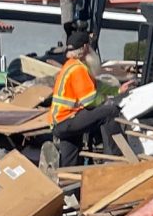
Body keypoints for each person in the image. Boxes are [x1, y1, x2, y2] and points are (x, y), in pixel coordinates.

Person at [41, 35, 108, 168]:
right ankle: (114, 157)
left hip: (59, 122)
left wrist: (117, 90)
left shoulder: (70, 65)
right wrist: (107, 100)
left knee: (70, 160)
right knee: (109, 112)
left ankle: (68, 179)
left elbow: (95, 87)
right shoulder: (79, 68)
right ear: (85, 47)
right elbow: (90, 101)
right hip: (67, 119)